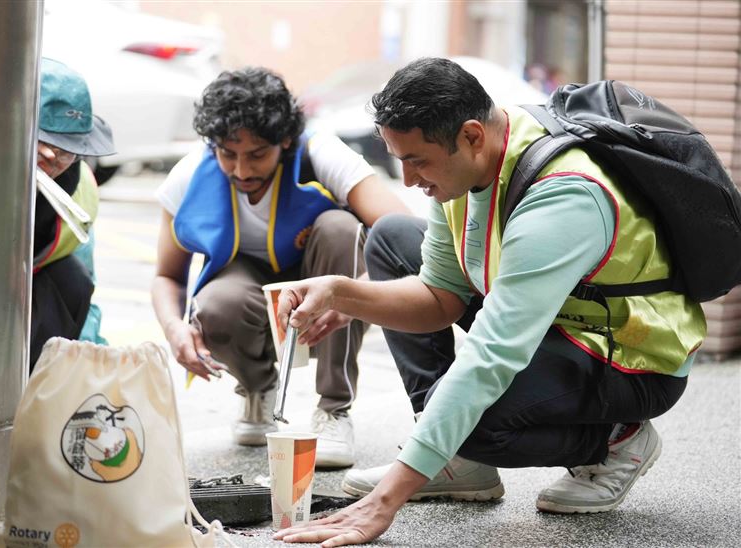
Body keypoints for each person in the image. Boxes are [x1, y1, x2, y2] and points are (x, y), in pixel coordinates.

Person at [273, 57, 705, 546]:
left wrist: (383, 503)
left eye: (417, 160)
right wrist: (342, 293)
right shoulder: (467, 168)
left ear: (472, 135)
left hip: (631, 357)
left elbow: (492, 355)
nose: (408, 180)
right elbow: (439, 297)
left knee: (471, 418)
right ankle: (455, 459)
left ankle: (616, 442)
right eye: (399, 160)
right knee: (392, 237)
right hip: (552, 323)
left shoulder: (563, 195)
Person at [151, 67, 409, 467]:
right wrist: (174, 329)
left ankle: (334, 409)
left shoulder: (321, 152)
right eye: (227, 154)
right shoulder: (188, 176)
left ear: (285, 140)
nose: (241, 171)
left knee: (340, 228)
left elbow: (403, 232)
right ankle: (257, 389)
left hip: (322, 278)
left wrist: (356, 294)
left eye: (257, 155)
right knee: (215, 303)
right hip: (246, 286)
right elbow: (167, 276)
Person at [31, 58, 115, 369]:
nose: (54, 157)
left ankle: (30, 390)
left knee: (73, 279)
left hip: (33, 289)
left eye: (68, 150)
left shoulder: (79, 191)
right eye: (43, 141)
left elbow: (86, 279)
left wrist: (94, 359)